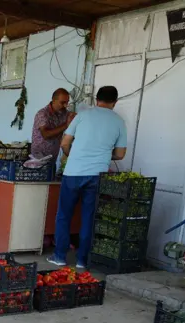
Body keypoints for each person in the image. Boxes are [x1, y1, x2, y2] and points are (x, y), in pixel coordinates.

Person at [48, 86, 127, 269]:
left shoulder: (82, 116)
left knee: (64, 216)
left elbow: (65, 143)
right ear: (115, 102)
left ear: (96, 99)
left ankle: (59, 257)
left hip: (73, 172)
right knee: (89, 218)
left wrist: (71, 155)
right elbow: (121, 154)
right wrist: (105, 155)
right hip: (96, 175)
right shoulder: (119, 122)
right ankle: (82, 261)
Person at [31, 88, 75, 163]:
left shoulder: (63, 112)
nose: (65, 105)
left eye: (67, 102)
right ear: (54, 100)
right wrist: (66, 125)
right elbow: (45, 134)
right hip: (39, 157)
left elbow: (74, 117)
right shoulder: (43, 114)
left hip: (53, 155)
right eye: (62, 102)